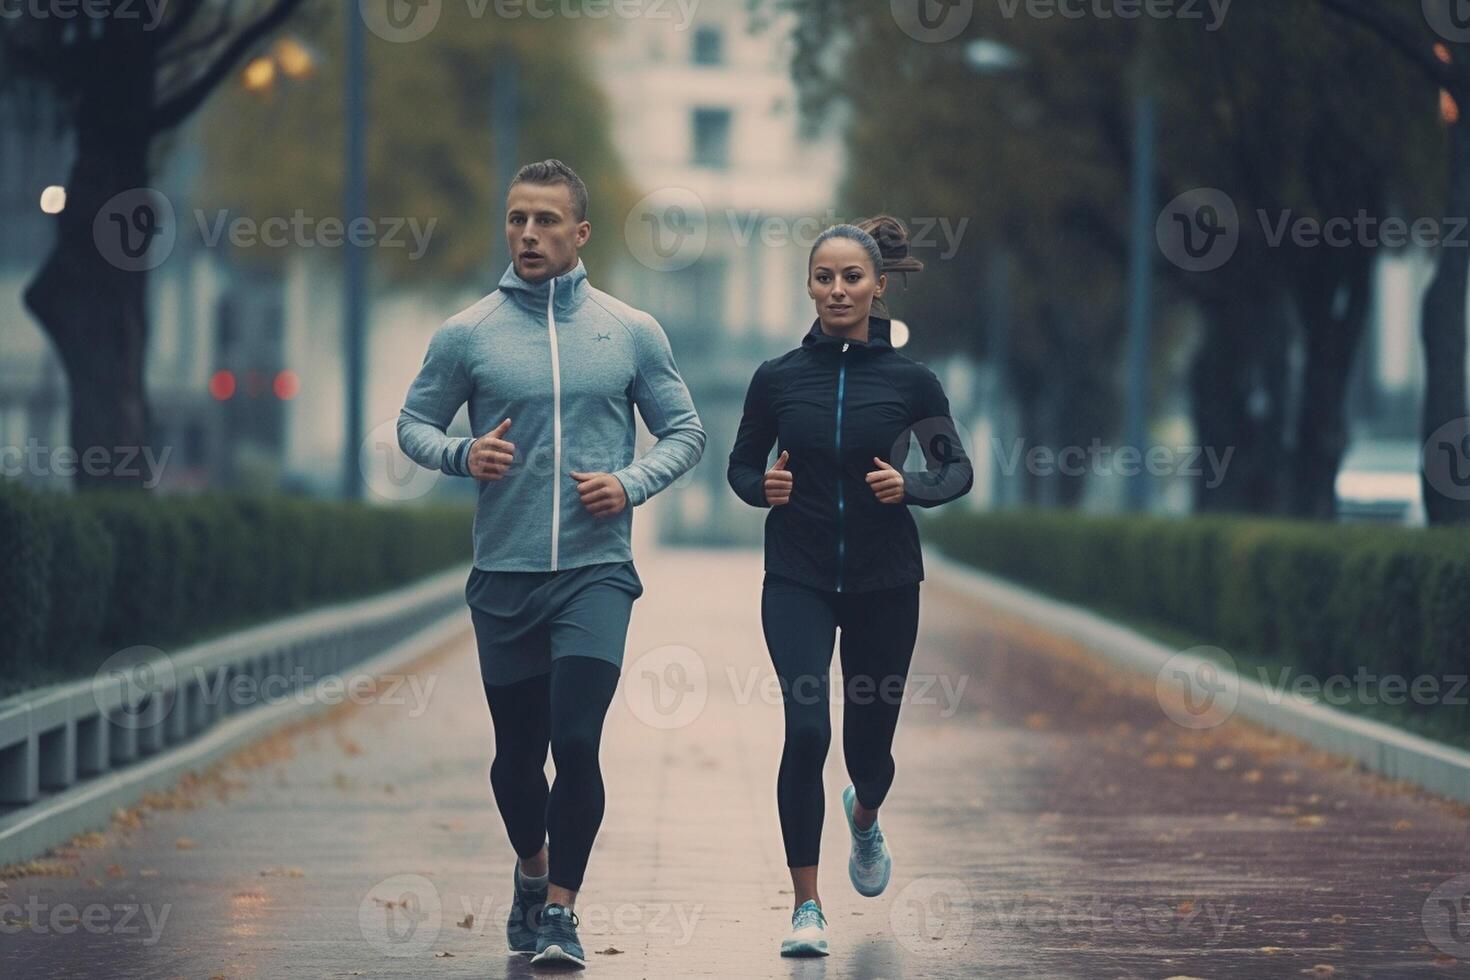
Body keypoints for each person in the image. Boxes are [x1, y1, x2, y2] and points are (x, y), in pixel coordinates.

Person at [397, 159, 705, 969]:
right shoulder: (468, 333)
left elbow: (686, 432)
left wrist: (630, 483)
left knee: (577, 740)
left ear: (581, 232)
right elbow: (412, 425)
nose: (527, 235)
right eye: (516, 219)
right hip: (504, 573)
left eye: (544, 221)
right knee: (515, 758)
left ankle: (562, 912)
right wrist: (464, 454)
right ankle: (532, 874)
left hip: (595, 573)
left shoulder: (630, 330)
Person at [726, 217, 973, 957]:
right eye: (825, 277)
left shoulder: (912, 381)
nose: (838, 289)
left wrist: (914, 486)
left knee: (870, 751)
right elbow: (741, 466)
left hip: (885, 581)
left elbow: (956, 468)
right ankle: (807, 908)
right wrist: (759, 487)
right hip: (796, 575)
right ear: (810, 286)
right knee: (807, 732)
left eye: (852, 277)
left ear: (877, 287)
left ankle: (864, 817)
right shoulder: (776, 379)